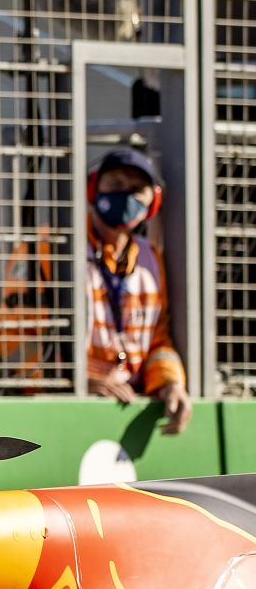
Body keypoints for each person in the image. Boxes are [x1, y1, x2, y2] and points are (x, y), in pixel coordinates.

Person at [83, 148, 190, 433]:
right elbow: (22, 339)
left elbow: (158, 339)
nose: (126, 194)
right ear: (93, 189)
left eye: (137, 189)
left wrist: (171, 384)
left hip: (129, 402)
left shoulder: (150, 259)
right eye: (116, 183)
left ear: (153, 201)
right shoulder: (53, 247)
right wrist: (81, 381)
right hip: (69, 402)